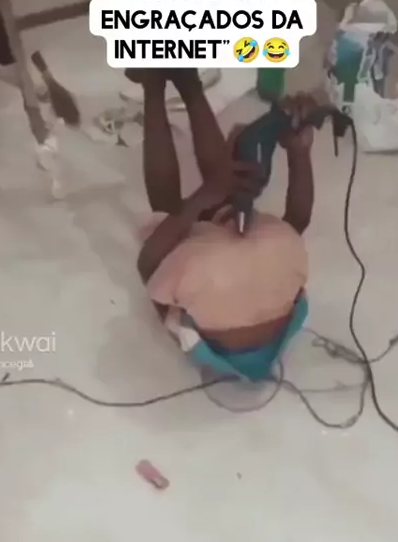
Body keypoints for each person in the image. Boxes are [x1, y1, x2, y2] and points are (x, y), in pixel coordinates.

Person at [134, 69, 314, 383]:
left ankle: (174, 82)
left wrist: (299, 154)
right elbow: (148, 265)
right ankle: (159, 84)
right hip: (208, 278)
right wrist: (201, 201)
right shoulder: (205, 277)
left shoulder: (284, 257)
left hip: (250, 262)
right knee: (185, 205)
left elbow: (297, 220)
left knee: (212, 192)